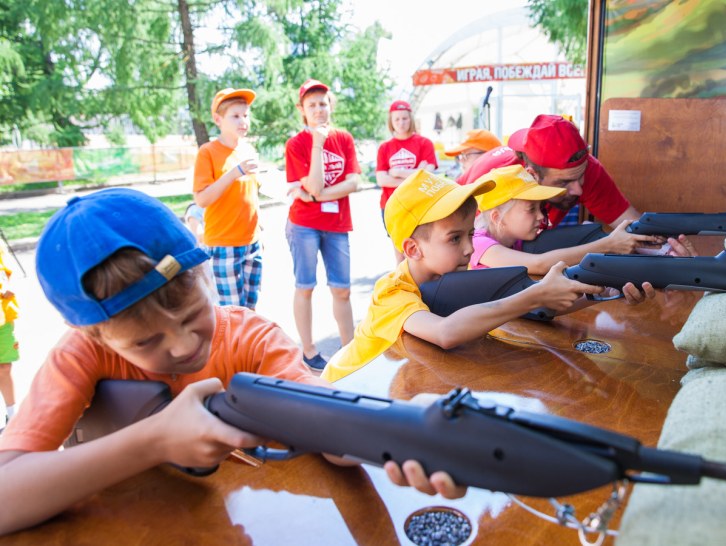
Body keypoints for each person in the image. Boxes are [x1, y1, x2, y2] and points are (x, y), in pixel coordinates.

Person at [0, 188, 462, 536]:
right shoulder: (81, 353)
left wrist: (395, 438)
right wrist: (154, 441)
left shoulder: (250, 335)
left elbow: (327, 421)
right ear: (94, 334)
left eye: (190, 315)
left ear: (206, 274)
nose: (182, 347)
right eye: (145, 343)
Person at [320, 170, 653, 384]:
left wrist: (606, 290)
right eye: (454, 239)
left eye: (468, 234)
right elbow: (447, 332)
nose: (469, 249)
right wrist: (535, 295)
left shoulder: (449, 283)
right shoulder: (393, 292)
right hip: (340, 389)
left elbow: (528, 306)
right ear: (412, 248)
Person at [459, 115, 662, 253]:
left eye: (580, 176)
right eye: (564, 182)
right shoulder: (492, 184)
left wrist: (669, 249)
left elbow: (633, 226)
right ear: (532, 175)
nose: (578, 189)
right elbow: (462, 253)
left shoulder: (584, 169)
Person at [471, 165, 694, 274]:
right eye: (531, 209)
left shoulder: (515, 240)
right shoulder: (478, 243)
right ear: (497, 217)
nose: (541, 216)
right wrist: (608, 245)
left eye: (540, 208)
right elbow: (538, 264)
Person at [284, 79, 362, 371]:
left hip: (337, 223)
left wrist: (319, 195)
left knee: (342, 289)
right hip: (304, 224)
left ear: (331, 105)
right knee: (305, 286)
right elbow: (314, 182)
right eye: (312, 105)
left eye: (323, 103)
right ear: (302, 109)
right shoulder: (296, 144)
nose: (318, 109)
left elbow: (354, 182)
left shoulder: (344, 137)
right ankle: (308, 350)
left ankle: (350, 349)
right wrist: (317, 143)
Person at [192, 88, 263, 311]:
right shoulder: (208, 152)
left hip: (252, 243)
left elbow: (251, 193)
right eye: (235, 116)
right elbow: (202, 199)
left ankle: (248, 348)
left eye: (246, 115)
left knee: (250, 312)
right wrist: (234, 172)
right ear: (218, 119)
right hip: (224, 245)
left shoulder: (248, 149)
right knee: (233, 315)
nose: (243, 121)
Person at [376, 100, 438, 264]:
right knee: (401, 255)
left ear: (410, 118)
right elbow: (381, 179)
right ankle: (403, 287)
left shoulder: (424, 143)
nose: (401, 123)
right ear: (391, 121)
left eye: (404, 118)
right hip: (392, 205)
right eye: (397, 119)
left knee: (423, 252)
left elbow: (427, 174)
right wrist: (415, 173)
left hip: (419, 204)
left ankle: (423, 288)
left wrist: (397, 172)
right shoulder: (385, 147)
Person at [0, 246, 20, 433]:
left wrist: (7, 286)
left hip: (3, 317)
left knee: (5, 367)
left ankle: (12, 414)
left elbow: (4, 272)